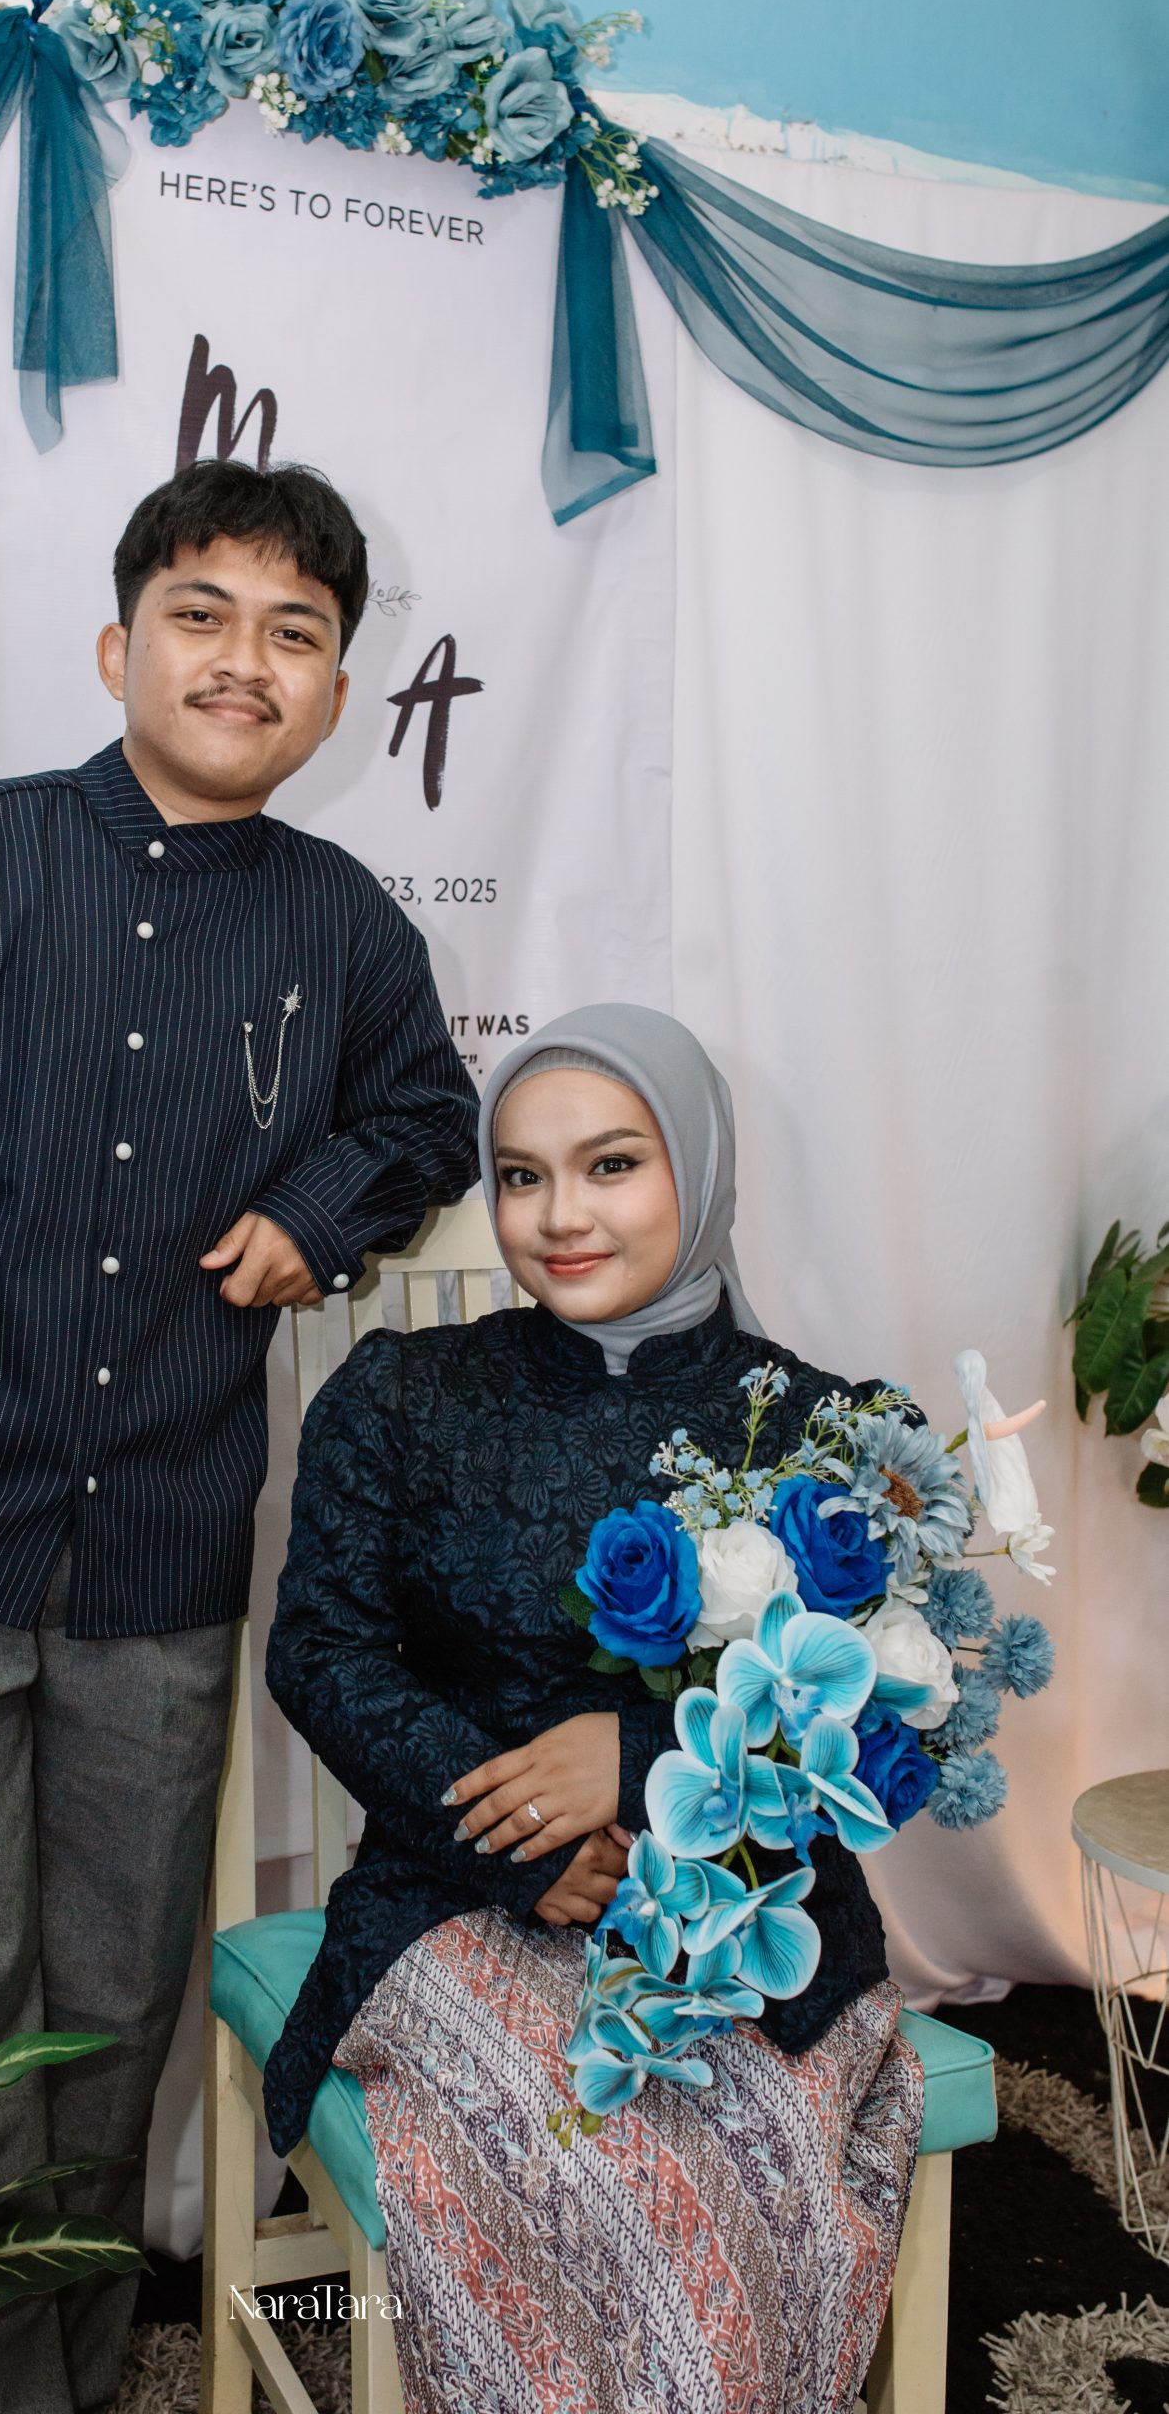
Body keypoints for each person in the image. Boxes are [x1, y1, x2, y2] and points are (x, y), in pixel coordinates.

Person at [0, 459, 479, 2414]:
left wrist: (318, 1201)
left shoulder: (342, 926)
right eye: (202, 614)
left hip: (159, 1574)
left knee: (112, 2014)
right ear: (119, 645)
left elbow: (428, 1115)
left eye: (294, 633)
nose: (243, 660)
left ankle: (42, 2387)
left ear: (335, 693)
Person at [262, 1004, 924, 2414]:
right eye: (521, 1176)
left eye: (612, 1164)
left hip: (749, 1920)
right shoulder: (403, 1397)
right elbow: (322, 1654)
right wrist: (520, 1836)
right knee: (587, 2170)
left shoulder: (828, 1436)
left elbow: (878, 1721)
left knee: (729, 2181)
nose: (559, 1216)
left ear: (701, 1168)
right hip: (454, 1894)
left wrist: (635, 1757)